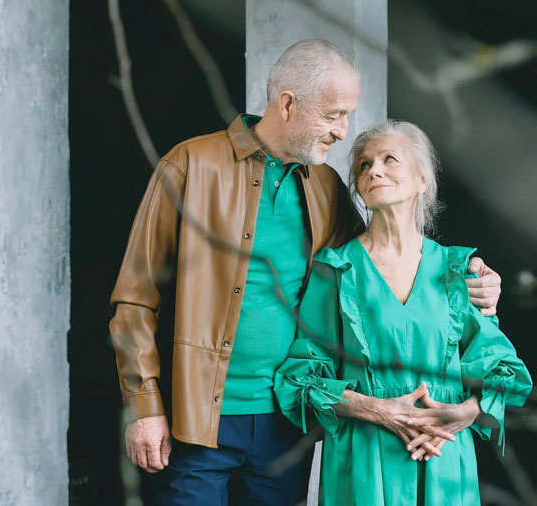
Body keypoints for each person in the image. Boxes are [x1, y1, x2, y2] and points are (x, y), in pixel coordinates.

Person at [108, 40, 502, 504]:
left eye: (348, 115)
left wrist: (475, 281)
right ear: (289, 104)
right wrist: (144, 406)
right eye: (334, 114)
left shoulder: (327, 187)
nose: (343, 131)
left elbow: (384, 264)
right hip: (195, 417)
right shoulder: (190, 164)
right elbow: (135, 298)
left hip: (288, 423)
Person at [273, 120, 532, 505]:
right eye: (363, 165)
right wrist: (377, 410)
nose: (374, 170)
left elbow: (504, 372)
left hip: (444, 458)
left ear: (422, 180)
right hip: (364, 457)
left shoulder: (458, 270)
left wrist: (465, 411)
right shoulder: (336, 270)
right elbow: (301, 378)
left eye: (389, 159)